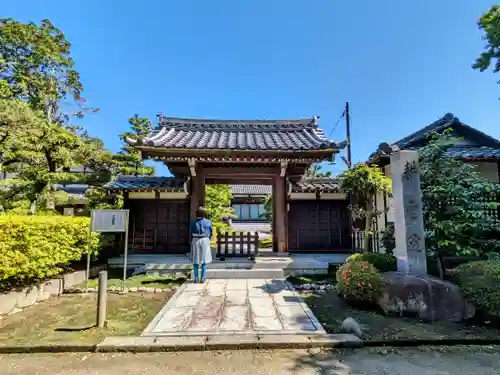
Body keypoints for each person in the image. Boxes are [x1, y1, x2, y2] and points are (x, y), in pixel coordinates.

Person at [189, 206, 213, 283]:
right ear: (204, 214)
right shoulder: (208, 222)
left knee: (195, 260)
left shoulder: (193, 222)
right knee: (204, 260)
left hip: (195, 240)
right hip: (205, 240)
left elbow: (191, 232)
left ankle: (196, 278)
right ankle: (203, 278)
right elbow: (211, 232)